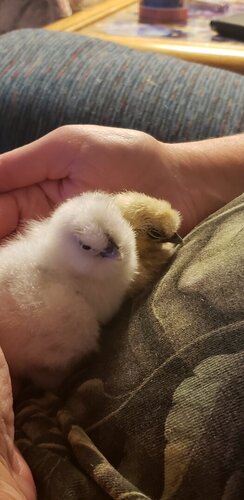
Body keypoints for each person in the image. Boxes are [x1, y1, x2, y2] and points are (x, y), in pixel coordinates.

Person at [0, 124, 243, 500]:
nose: (117, 256)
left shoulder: (96, 254)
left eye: (120, 246)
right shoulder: (63, 300)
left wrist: (183, 172)